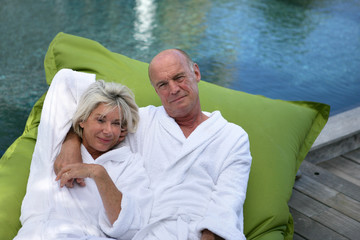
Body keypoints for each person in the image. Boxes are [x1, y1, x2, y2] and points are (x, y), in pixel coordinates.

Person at [55, 49, 252, 240]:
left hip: (200, 233)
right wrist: (71, 142)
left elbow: (227, 202)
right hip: (147, 232)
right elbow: (92, 119)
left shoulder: (233, 137)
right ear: (156, 90)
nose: (173, 89)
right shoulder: (142, 121)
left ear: (196, 73)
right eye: (163, 84)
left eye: (179, 78)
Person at [14, 69, 152, 240]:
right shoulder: (54, 144)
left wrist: (98, 173)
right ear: (82, 120)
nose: (108, 131)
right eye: (100, 120)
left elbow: (132, 228)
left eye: (116, 123)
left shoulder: (128, 164)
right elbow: (65, 80)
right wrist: (72, 140)